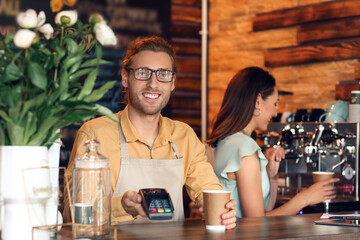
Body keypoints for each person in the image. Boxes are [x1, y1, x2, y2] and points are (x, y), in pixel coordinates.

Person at [63, 36, 236, 228]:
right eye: (143, 72)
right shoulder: (95, 135)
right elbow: (73, 214)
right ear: (125, 78)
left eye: (163, 74)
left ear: (172, 82)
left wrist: (224, 211)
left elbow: (209, 189)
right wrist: (121, 206)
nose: (153, 83)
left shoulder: (184, 135)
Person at [206, 66, 339, 218]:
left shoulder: (224, 141)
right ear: (257, 101)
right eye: (275, 103)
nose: (276, 113)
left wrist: (270, 174)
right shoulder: (245, 148)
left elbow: (265, 208)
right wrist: (305, 198)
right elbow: (255, 222)